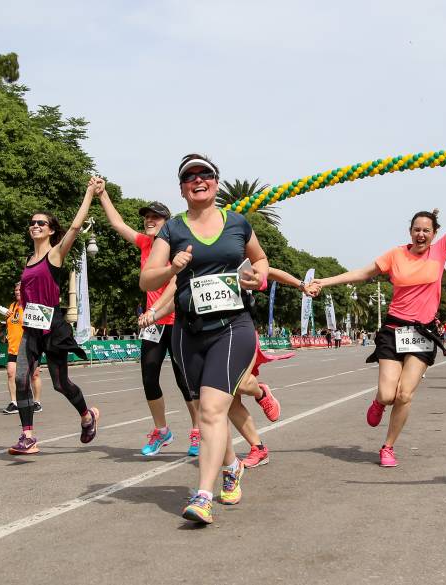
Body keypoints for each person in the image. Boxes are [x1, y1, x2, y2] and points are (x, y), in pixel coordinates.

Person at [310, 163, 446, 467]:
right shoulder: (395, 255)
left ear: (434, 234)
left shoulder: (441, 251)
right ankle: (379, 402)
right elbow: (363, 273)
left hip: (423, 333)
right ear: (410, 231)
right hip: (394, 329)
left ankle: (388, 446)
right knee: (388, 393)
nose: (421, 234)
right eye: (417, 229)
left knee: (405, 395)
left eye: (426, 230)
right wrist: (323, 282)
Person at [141, 153, 268, 525]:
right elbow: (147, 280)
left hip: (233, 327)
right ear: (182, 188)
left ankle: (203, 495)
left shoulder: (238, 223)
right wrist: (171, 267)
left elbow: (260, 261)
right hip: (188, 332)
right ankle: (232, 466)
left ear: (215, 182)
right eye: (189, 177)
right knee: (212, 410)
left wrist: (255, 278)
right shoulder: (172, 230)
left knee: (212, 411)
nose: (198, 180)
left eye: (205, 174)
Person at [98, 188, 201, 456]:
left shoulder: (175, 248)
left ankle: (198, 431)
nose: (149, 221)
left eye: (156, 217)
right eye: (147, 217)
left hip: (176, 319)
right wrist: (102, 194)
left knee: (185, 380)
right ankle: (162, 430)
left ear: (167, 222)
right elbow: (118, 223)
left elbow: (175, 283)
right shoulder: (145, 243)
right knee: (149, 377)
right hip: (152, 324)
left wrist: (154, 309)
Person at [8, 178, 101, 455]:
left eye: (41, 223)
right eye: (32, 223)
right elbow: (29, 292)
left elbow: (74, 226)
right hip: (31, 328)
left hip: (54, 328)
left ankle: (87, 416)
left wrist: (88, 193)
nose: (35, 226)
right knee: (22, 378)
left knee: (60, 383)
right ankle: (27, 436)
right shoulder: (27, 261)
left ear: (50, 231)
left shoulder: (56, 254)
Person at [0, 282, 42, 414]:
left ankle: (37, 402)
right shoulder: (12, 306)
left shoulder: (31, 307)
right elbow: (11, 325)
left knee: (34, 375)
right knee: (11, 373)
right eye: (15, 289)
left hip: (30, 346)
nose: (17, 292)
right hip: (14, 347)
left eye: (19, 290)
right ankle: (14, 403)